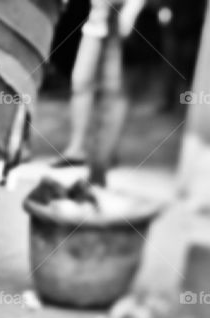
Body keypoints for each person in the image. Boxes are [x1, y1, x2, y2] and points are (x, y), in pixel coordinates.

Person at [55, 0, 147, 182]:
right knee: (80, 82)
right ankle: (77, 149)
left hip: (123, 22)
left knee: (114, 91)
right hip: (96, 21)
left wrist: (133, 8)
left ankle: (103, 159)